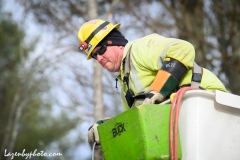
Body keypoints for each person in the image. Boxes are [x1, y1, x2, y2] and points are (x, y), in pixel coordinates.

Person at [77, 19, 227, 149]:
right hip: (185, 123)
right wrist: (108, 127)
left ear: (117, 43)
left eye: (101, 50)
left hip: (210, 105)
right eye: (95, 56)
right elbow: (135, 120)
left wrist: (158, 91)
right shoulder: (125, 81)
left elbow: (182, 49)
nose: (100, 58)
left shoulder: (139, 49)